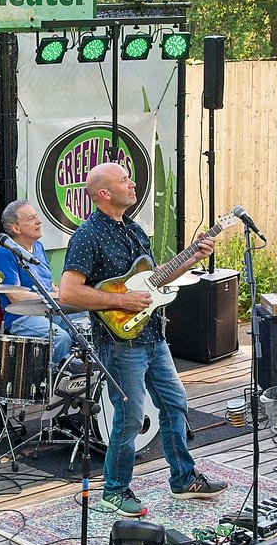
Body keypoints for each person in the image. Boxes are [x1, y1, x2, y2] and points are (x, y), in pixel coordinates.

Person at [60, 162, 228, 516]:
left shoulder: (134, 229)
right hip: (120, 343)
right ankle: (115, 490)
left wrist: (193, 256)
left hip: (153, 335)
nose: (133, 183)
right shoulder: (87, 236)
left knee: (174, 404)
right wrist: (121, 300)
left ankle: (184, 479)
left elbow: (153, 281)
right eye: (124, 180)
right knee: (131, 416)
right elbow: (69, 293)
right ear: (104, 194)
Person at [0, 199, 85, 365]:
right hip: (21, 317)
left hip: (47, 310)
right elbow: (16, 297)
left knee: (86, 321)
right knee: (60, 338)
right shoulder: (4, 253)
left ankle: (82, 372)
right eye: (31, 218)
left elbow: (47, 283)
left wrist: (66, 293)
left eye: (37, 216)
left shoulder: (39, 247)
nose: (38, 221)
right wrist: (55, 296)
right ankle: (55, 380)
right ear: (15, 228)